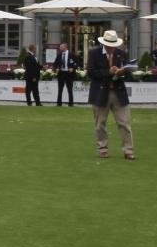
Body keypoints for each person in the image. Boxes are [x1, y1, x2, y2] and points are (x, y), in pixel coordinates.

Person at [86, 29, 134, 160]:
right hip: (100, 93)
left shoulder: (121, 54)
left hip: (119, 92)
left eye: (114, 45)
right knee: (100, 123)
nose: (112, 48)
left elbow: (128, 74)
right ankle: (103, 149)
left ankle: (128, 150)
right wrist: (109, 72)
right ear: (104, 43)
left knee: (124, 123)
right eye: (109, 45)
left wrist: (122, 72)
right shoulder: (94, 53)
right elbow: (91, 72)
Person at [52, 41, 78, 106]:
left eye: (61, 47)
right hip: (61, 73)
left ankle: (71, 103)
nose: (60, 48)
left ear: (65, 47)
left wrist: (73, 68)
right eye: (60, 47)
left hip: (69, 74)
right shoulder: (59, 55)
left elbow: (77, 63)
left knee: (70, 89)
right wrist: (55, 69)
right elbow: (55, 64)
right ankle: (59, 103)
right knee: (60, 89)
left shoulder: (72, 54)